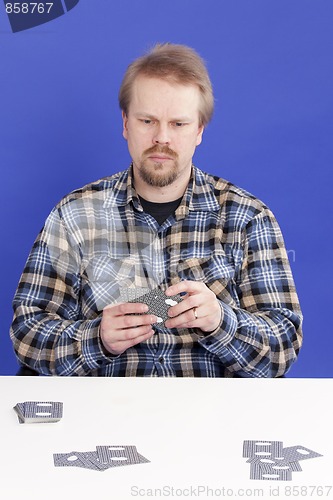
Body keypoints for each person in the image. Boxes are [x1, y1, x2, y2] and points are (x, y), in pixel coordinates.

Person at [10, 43, 303, 377]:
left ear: (199, 131)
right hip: (102, 417)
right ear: (125, 124)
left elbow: (284, 345)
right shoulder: (75, 215)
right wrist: (97, 338)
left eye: (178, 124)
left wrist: (222, 321)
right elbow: (27, 332)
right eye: (147, 120)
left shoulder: (247, 218)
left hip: (213, 419)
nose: (161, 138)